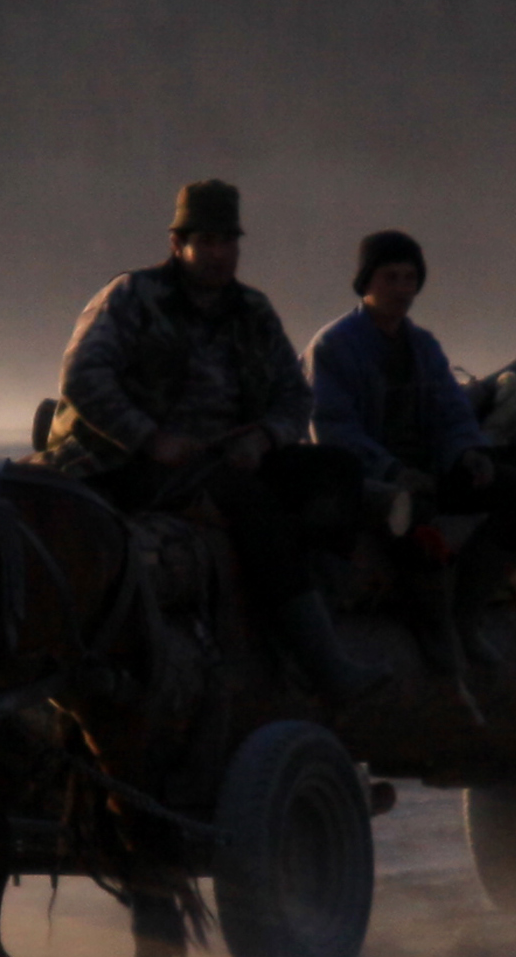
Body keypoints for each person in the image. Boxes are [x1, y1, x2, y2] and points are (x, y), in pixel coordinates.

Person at [51, 179, 382, 708]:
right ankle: (324, 666)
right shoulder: (132, 297)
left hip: (226, 453)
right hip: (126, 459)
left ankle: (312, 614)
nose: (217, 253)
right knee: (251, 506)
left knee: (337, 472)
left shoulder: (252, 310)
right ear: (177, 244)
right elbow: (82, 379)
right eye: (204, 241)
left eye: (227, 241)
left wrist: (265, 437)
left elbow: (295, 396)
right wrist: (150, 438)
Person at [308, 231, 516, 681]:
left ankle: (466, 615)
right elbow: (332, 430)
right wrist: (393, 471)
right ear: (366, 283)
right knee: (416, 510)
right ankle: (434, 628)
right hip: (371, 481)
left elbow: (452, 411)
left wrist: (468, 453)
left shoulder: (424, 346)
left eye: (411, 278)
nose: (402, 289)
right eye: (391, 277)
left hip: (429, 470)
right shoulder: (334, 347)